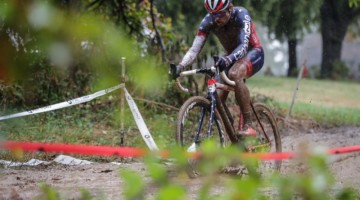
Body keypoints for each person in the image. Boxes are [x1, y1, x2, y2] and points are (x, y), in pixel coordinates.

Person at [175, 0, 264, 137]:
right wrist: (181, 66)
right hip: (230, 57)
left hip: (253, 53)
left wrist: (228, 59)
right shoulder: (208, 21)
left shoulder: (241, 15)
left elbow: (243, 46)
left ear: (230, 9)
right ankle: (230, 128)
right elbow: (194, 50)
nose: (217, 19)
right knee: (215, 96)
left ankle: (248, 124)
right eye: (213, 14)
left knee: (235, 73)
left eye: (221, 14)